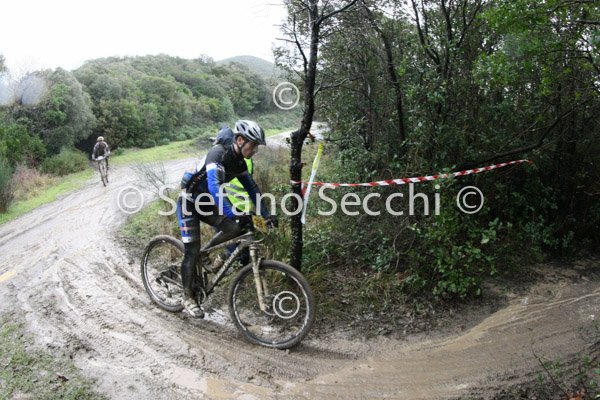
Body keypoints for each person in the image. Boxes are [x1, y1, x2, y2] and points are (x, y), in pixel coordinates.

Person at [177, 120, 278, 318]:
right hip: (189, 203)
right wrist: (231, 212)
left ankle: (205, 253)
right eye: (253, 145)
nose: (255, 150)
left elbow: (252, 189)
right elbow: (214, 186)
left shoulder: (239, 162)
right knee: (191, 251)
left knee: (234, 229)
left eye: (256, 147)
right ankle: (187, 297)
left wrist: (267, 215)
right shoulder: (217, 154)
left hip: (207, 204)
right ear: (239, 140)